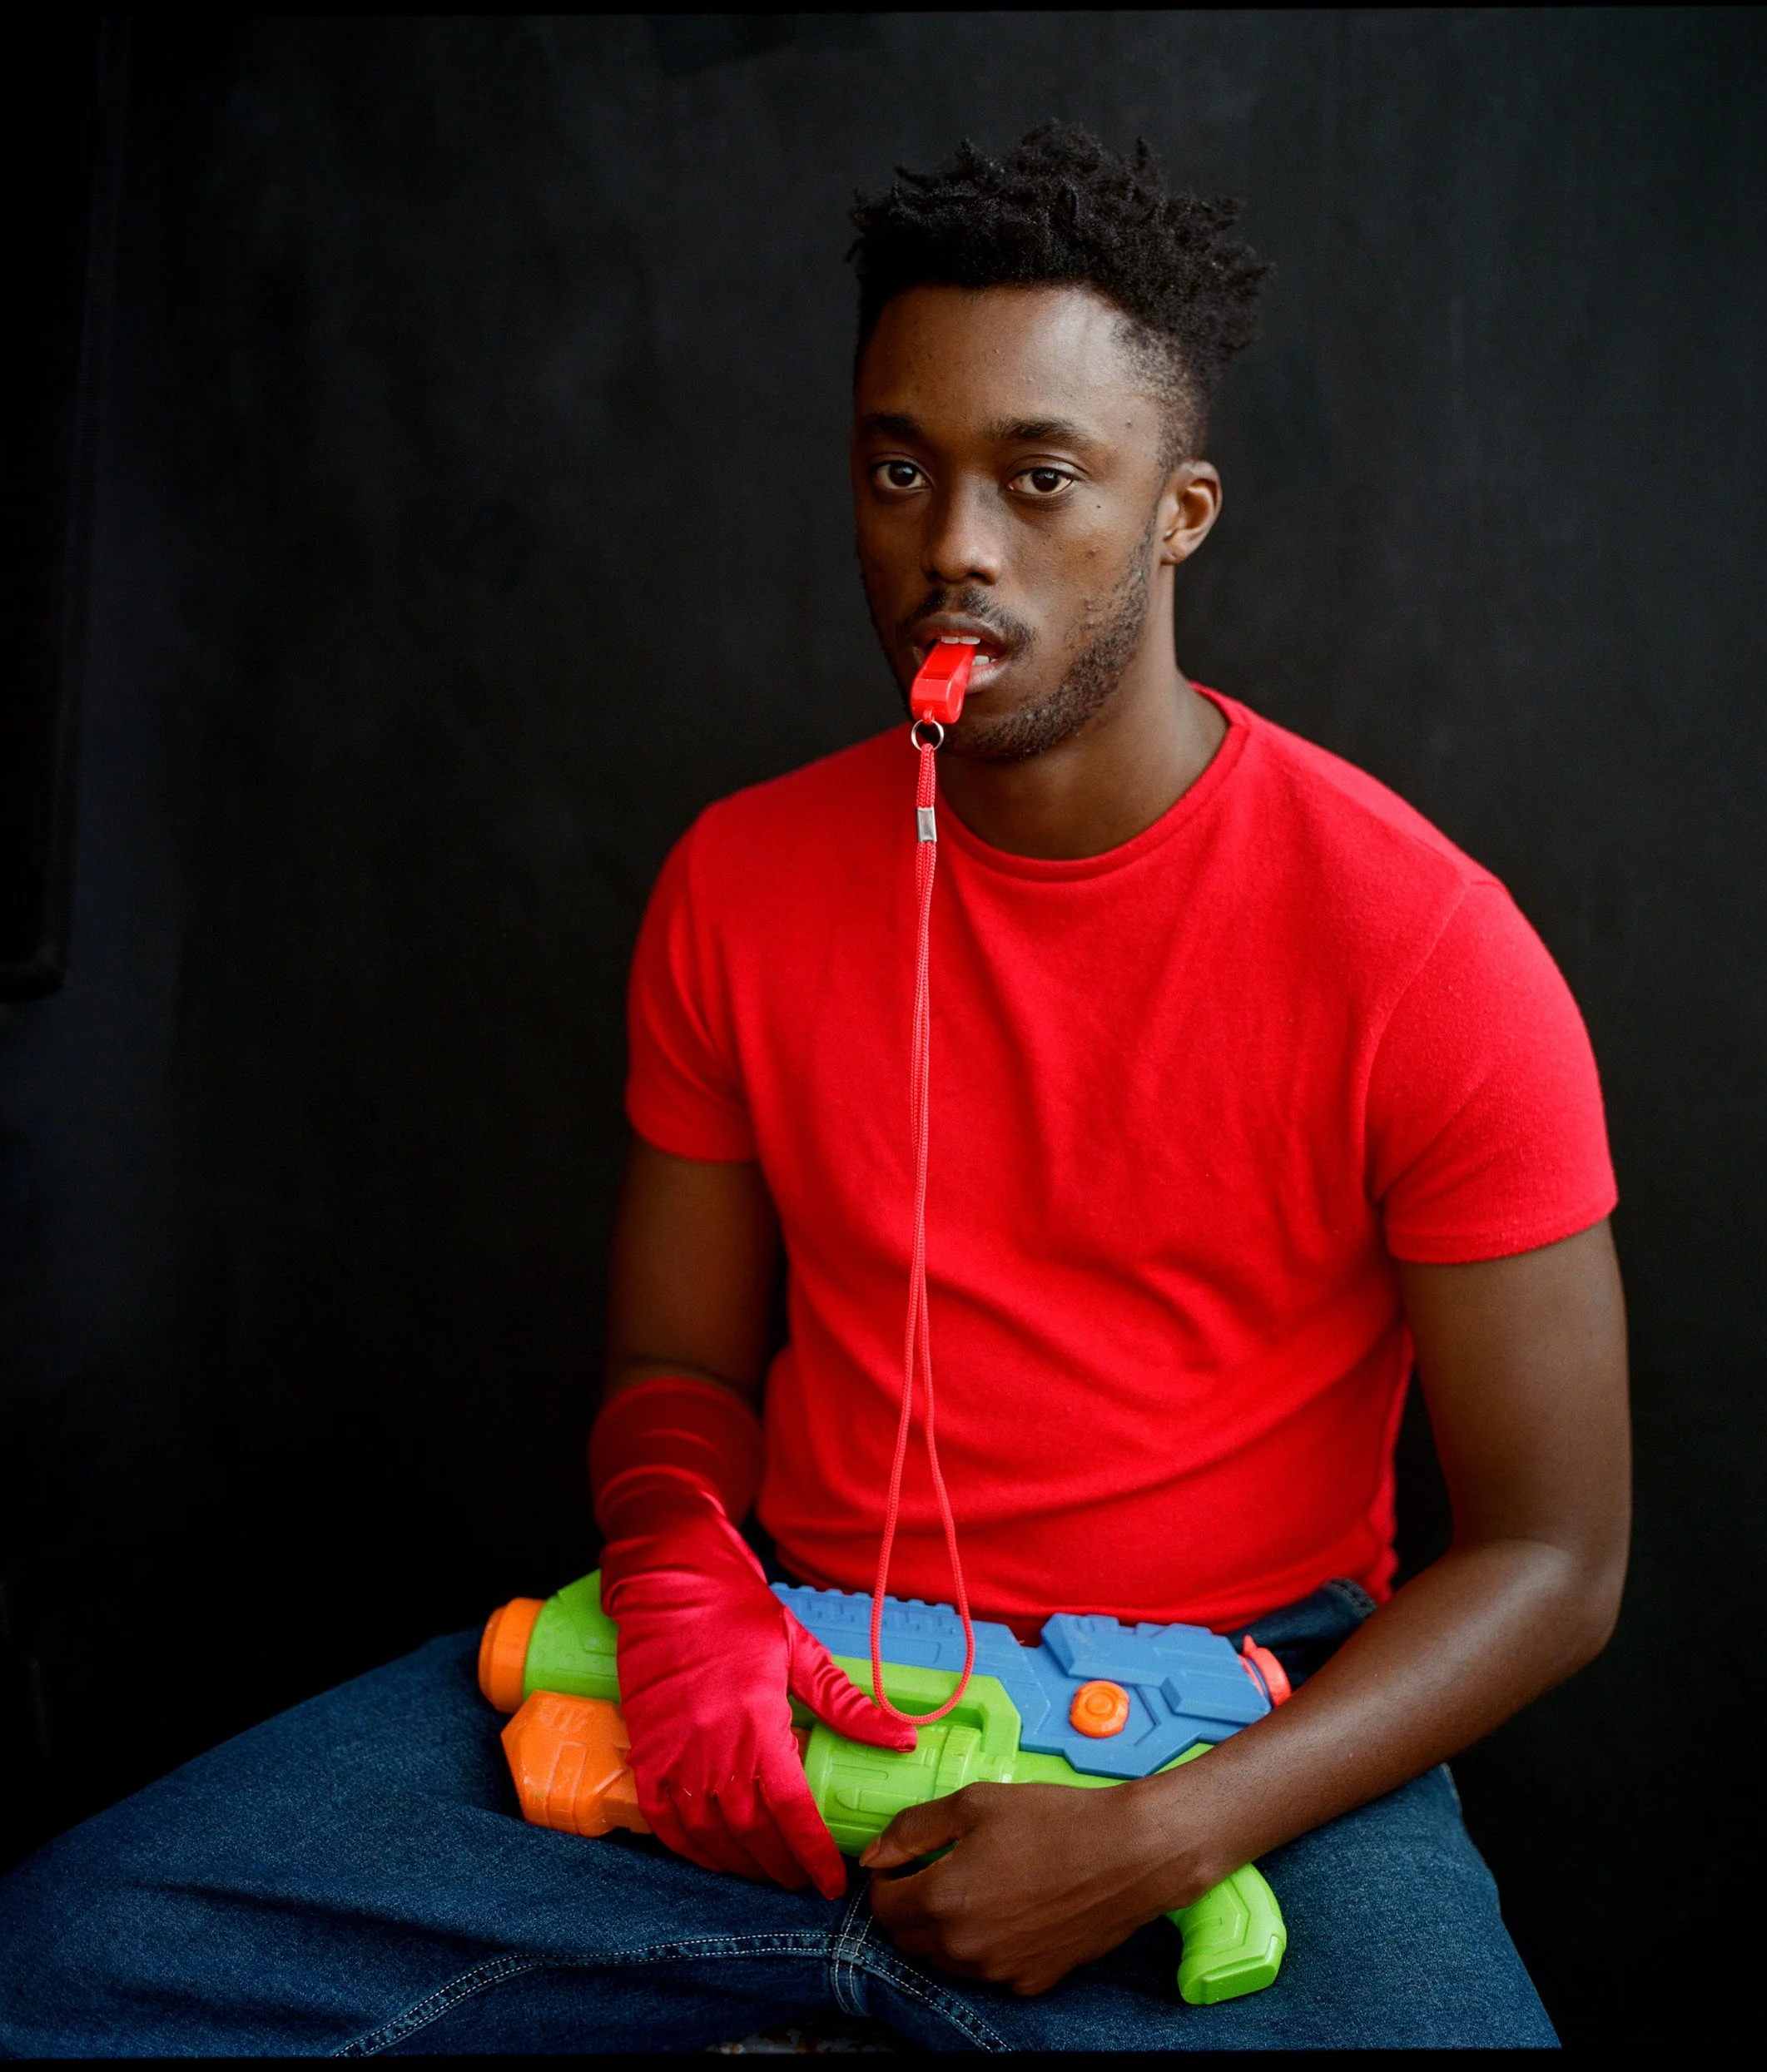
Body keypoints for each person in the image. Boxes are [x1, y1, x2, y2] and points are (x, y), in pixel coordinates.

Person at [0, 123, 1627, 2054]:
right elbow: (674, 1369)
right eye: (895, 469)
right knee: (67, 1959)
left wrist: (1158, 1838)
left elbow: (1551, 1557)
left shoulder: (1423, 946)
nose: (953, 544)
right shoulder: (738, 882)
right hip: (785, 1669)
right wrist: (683, 1589)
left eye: (1040, 479)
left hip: (1220, 1726)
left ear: (1180, 511)